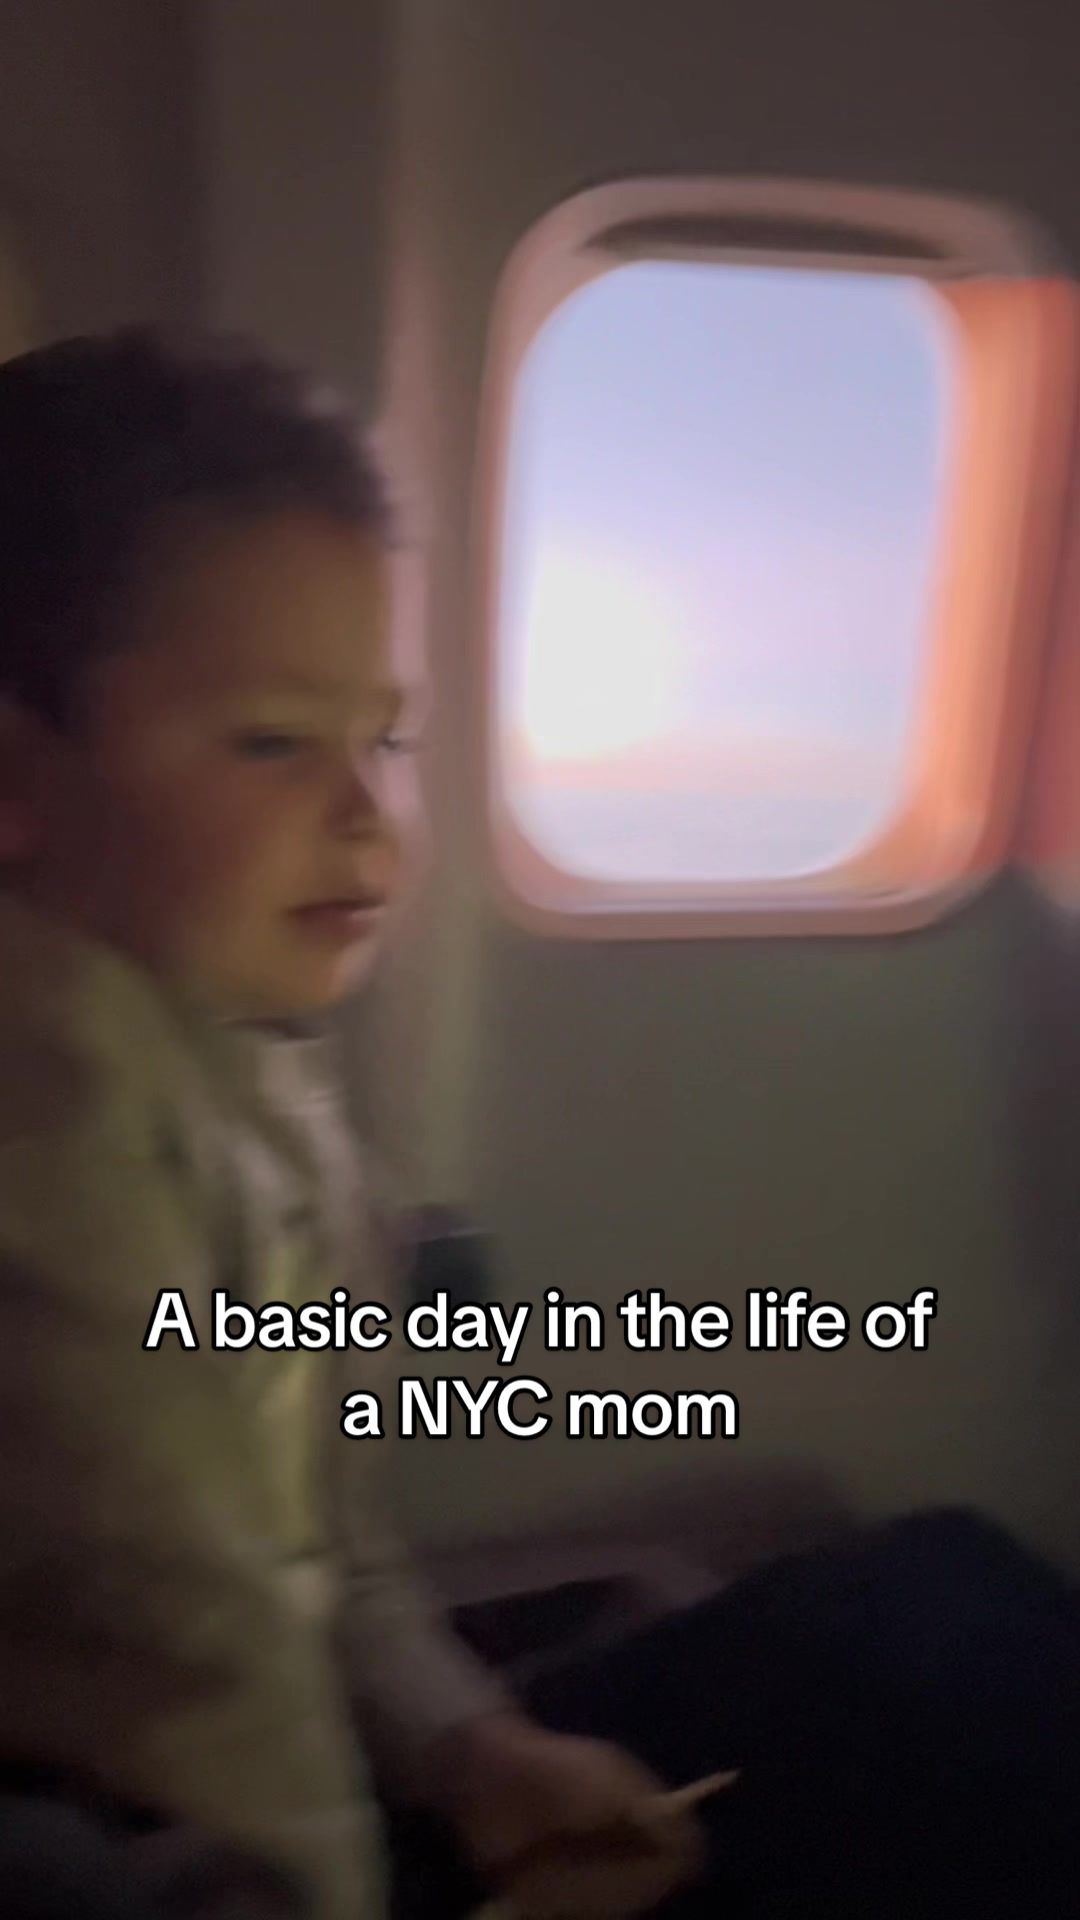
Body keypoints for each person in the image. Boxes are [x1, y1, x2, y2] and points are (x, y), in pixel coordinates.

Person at [0, 329, 704, 1920]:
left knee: (918, 1606)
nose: (367, 817)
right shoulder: (53, 1099)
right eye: (271, 741)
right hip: (139, 1838)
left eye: (382, 739)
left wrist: (475, 1751)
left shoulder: (247, 1058)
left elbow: (325, 1554)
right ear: (17, 779)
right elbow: (193, 1651)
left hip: (268, 1775)